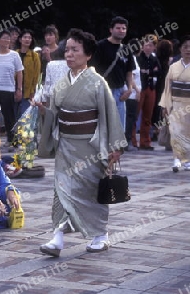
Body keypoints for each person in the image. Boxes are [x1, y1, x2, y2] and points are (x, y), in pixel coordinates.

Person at [34, 28, 126, 257]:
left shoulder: (98, 83)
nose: (69, 54)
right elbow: (55, 115)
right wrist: (44, 112)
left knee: (90, 190)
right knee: (61, 190)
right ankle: (57, 237)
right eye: (68, 49)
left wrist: (114, 146)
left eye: (75, 50)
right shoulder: (61, 83)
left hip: (91, 146)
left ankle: (100, 235)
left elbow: (110, 115)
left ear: (88, 55)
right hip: (65, 144)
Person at [90, 16, 135, 130]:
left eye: (124, 28)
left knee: (119, 129)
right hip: (103, 90)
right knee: (102, 128)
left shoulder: (127, 49)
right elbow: (92, 69)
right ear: (111, 30)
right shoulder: (100, 46)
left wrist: (129, 89)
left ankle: (117, 148)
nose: (121, 31)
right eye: (118, 28)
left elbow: (129, 72)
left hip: (120, 92)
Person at [159, 35, 190, 172]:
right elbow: (167, 87)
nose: (188, 50)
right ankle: (177, 158)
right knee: (176, 132)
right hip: (176, 103)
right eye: (185, 47)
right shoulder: (174, 67)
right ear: (180, 49)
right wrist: (165, 105)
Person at [134, 34, 161, 151]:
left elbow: (158, 71)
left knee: (147, 116)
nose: (148, 48)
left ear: (154, 47)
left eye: (151, 45)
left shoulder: (154, 58)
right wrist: (148, 72)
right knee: (135, 115)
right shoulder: (138, 57)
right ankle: (133, 141)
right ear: (142, 46)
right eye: (146, 45)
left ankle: (145, 141)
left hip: (151, 88)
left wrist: (147, 72)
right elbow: (140, 72)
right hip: (140, 88)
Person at [15, 29, 41, 120]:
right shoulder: (15, 54)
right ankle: (12, 133)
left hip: (27, 90)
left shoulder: (34, 56)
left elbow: (36, 75)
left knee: (24, 116)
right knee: (13, 114)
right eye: (25, 37)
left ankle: (22, 133)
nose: (27, 39)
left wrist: (32, 91)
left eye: (29, 38)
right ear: (20, 39)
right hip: (14, 88)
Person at [124, 38, 142, 151]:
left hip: (132, 92)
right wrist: (137, 90)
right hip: (131, 93)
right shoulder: (132, 59)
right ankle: (127, 141)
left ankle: (128, 140)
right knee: (130, 117)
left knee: (131, 117)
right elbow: (132, 77)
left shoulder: (132, 58)